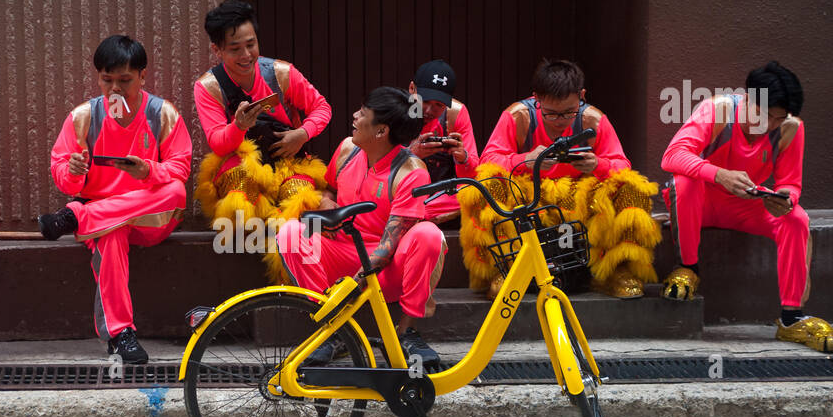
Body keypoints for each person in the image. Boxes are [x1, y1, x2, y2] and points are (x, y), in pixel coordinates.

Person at [660, 61, 833, 353]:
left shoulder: (791, 129)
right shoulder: (717, 110)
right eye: (763, 114)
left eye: (777, 118)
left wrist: (784, 197)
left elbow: (792, 184)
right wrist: (718, 174)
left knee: (796, 218)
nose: (769, 124)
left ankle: (792, 318)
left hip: (746, 204)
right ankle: (688, 268)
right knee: (684, 182)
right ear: (747, 99)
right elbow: (672, 156)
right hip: (700, 201)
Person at [39, 35, 191, 365]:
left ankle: (77, 217)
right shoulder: (83, 117)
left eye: (125, 80)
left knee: (176, 192)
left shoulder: (161, 113)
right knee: (110, 233)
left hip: (152, 220)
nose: (115, 89)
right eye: (107, 80)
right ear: (98, 78)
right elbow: (61, 172)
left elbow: (180, 168)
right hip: (106, 221)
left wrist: (148, 172)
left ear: (142, 76)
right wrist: (75, 172)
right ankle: (121, 334)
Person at [276, 86, 448, 370]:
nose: (355, 116)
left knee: (428, 235)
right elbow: (329, 190)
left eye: (363, 113)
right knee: (291, 234)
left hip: (387, 270)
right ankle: (332, 331)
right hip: (342, 251)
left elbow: (391, 244)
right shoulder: (346, 149)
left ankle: (406, 333)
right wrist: (325, 202)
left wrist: (352, 285)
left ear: (381, 131)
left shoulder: (411, 171)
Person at [461, 59, 660, 299]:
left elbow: (621, 164)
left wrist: (598, 165)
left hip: (582, 198)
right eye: (551, 113)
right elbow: (488, 161)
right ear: (536, 98)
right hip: (528, 194)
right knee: (487, 185)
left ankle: (618, 269)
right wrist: (525, 160)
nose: (560, 121)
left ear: (582, 96)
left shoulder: (594, 119)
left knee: (632, 187)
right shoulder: (517, 116)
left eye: (568, 112)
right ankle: (504, 269)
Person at [193, 0, 332, 283]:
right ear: (216, 50)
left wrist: (301, 134)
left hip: (288, 162)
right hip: (241, 165)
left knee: (300, 201)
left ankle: (295, 276)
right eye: (235, 49)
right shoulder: (207, 87)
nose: (246, 55)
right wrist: (238, 127)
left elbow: (322, 108)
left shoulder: (281, 73)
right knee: (241, 194)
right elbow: (218, 142)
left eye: (251, 44)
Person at [404, 60, 480, 225]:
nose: (429, 111)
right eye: (424, 101)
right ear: (412, 89)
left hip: (439, 195)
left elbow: (472, 174)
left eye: (438, 105)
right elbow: (377, 167)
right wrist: (410, 154)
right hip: (401, 190)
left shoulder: (456, 114)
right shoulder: (396, 109)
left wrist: (462, 158)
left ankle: (416, 214)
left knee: (477, 190)